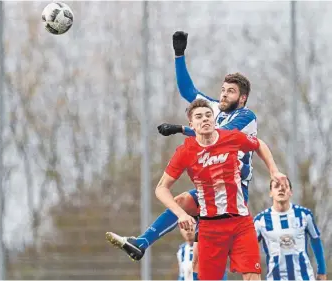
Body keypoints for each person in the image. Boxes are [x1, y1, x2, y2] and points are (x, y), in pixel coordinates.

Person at [105, 31, 259, 266]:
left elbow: (219, 136)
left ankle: (204, 232)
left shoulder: (246, 116)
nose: (224, 94)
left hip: (234, 191)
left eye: (231, 91)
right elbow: (188, 91)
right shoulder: (214, 109)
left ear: (243, 98)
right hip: (211, 187)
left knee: (237, 266)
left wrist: (180, 128)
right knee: (181, 204)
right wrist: (179, 54)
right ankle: (142, 243)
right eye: (223, 89)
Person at [155, 99, 289, 280]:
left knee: (252, 274)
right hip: (210, 227)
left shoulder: (231, 137)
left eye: (209, 115)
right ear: (191, 125)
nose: (205, 119)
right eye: (199, 117)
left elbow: (259, 144)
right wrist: (182, 214)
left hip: (240, 223)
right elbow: (161, 188)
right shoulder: (185, 152)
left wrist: (274, 171)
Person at [254, 179, 327, 281]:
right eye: (276, 186)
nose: (281, 189)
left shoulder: (304, 214)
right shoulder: (260, 220)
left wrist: (322, 271)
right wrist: (253, 273)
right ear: (270, 193)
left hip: (304, 277)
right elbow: (250, 248)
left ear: (291, 192)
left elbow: (316, 241)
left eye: (285, 186)